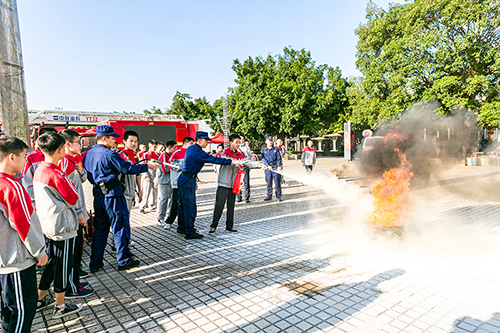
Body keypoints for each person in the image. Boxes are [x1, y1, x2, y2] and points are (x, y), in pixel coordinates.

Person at [83, 125, 159, 272]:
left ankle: (95, 263)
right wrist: (147, 166)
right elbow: (127, 169)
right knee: (120, 226)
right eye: (112, 138)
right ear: (104, 139)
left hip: (98, 194)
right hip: (113, 194)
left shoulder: (88, 154)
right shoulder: (110, 154)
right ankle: (123, 260)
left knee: (100, 229)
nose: (114, 141)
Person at [33, 132, 83, 319]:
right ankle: (60, 305)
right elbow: (73, 197)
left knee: (52, 262)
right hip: (62, 226)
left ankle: (40, 298)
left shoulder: (40, 169)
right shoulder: (55, 173)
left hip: (48, 224)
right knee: (62, 265)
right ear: (61, 149)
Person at [0, 136, 48, 331]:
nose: (25, 161)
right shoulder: (11, 187)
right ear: (12, 157)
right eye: (23, 156)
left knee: (8, 312)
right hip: (16, 263)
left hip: (4, 262)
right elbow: (24, 224)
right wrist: (40, 251)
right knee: (22, 311)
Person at [177, 131, 242, 239]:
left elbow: (192, 165)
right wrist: (231, 162)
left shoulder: (192, 149)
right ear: (199, 141)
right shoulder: (197, 152)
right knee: (190, 207)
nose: (207, 143)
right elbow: (213, 160)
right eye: (206, 141)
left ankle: (182, 227)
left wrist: (195, 180)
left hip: (185, 179)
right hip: (187, 181)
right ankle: (189, 232)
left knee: (183, 206)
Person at [58, 129, 94, 298]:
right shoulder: (64, 163)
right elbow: (68, 194)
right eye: (78, 142)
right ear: (67, 144)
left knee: (77, 251)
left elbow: (82, 180)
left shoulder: (73, 162)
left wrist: (81, 171)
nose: (81, 145)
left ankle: (75, 281)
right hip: (73, 216)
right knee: (72, 253)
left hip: (77, 213)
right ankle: (71, 287)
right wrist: (80, 214)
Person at [209, 134, 263, 234]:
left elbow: (247, 161)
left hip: (234, 184)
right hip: (223, 184)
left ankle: (229, 226)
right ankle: (213, 226)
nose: (238, 144)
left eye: (239, 142)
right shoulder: (224, 152)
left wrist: (260, 165)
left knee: (231, 206)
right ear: (230, 142)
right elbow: (223, 159)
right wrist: (234, 162)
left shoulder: (239, 154)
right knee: (219, 206)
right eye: (236, 142)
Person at [21, 127, 58, 205]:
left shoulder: (59, 156)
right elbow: (27, 181)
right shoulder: (31, 157)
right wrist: (33, 202)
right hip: (40, 202)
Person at [164, 137, 194, 230]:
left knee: (185, 204)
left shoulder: (191, 153)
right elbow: (170, 165)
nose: (192, 146)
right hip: (177, 182)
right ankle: (169, 221)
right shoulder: (177, 152)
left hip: (187, 183)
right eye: (191, 144)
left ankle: (184, 223)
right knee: (175, 203)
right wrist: (182, 166)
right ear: (185, 143)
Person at [118, 131, 143, 212]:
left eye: (135, 141)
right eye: (131, 141)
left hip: (131, 192)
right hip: (123, 192)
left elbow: (137, 174)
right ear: (124, 141)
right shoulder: (122, 155)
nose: (133, 143)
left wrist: (139, 191)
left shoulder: (135, 155)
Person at [155, 140, 177, 227]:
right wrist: (174, 165)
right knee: (163, 200)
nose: (175, 149)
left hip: (170, 181)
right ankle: (160, 218)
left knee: (171, 200)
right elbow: (165, 169)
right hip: (163, 181)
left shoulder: (171, 155)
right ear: (169, 148)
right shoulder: (164, 155)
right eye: (174, 148)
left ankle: (168, 217)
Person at [139, 140, 158, 214]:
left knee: (154, 192)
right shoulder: (145, 155)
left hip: (154, 176)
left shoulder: (156, 155)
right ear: (150, 146)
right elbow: (143, 165)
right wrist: (146, 175)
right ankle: (142, 207)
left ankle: (151, 205)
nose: (155, 148)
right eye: (154, 146)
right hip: (147, 176)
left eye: (156, 146)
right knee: (146, 192)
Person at [261, 136, 283, 202]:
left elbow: (279, 158)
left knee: (277, 182)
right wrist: (267, 165)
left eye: (271, 141)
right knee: (268, 182)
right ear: (265, 142)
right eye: (268, 141)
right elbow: (263, 159)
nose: (270, 142)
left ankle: (278, 195)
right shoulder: (263, 150)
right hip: (268, 168)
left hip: (275, 167)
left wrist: (279, 166)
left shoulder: (276, 150)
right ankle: (269, 195)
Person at [236, 135, 252, 203]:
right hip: (239, 166)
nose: (242, 141)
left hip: (245, 166)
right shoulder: (236, 147)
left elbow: (250, 157)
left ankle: (247, 197)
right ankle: (239, 196)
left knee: (246, 182)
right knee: (238, 182)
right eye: (240, 139)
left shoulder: (247, 147)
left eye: (243, 139)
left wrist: (246, 152)